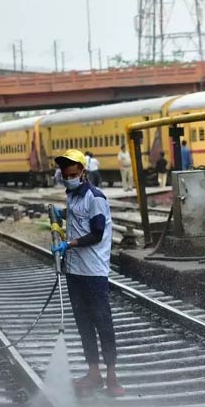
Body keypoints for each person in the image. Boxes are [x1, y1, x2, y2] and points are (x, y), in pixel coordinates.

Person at [50, 149, 124, 397]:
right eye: (65, 174)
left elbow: (97, 233)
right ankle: (94, 374)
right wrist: (60, 216)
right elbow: (75, 218)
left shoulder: (96, 197)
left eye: (72, 173)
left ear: (83, 172)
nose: (68, 177)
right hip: (74, 271)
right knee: (83, 324)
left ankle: (112, 376)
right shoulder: (72, 197)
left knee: (102, 322)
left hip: (93, 272)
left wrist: (68, 244)